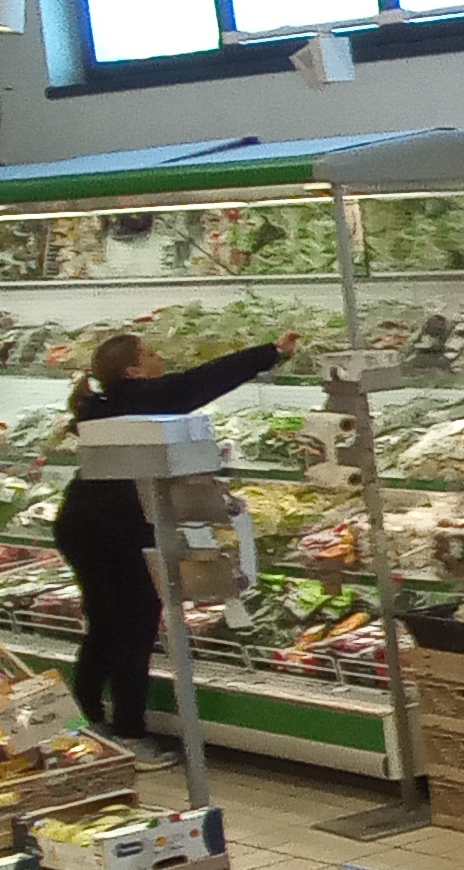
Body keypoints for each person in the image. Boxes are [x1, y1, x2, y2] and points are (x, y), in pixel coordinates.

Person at [55, 326, 297, 765]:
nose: (159, 358)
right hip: (117, 528)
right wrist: (271, 352)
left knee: (105, 623)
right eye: (149, 354)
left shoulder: (99, 403)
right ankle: (129, 733)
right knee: (136, 625)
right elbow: (204, 379)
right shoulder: (144, 398)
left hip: (81, 522)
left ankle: (84, 723)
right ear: (132, 370)